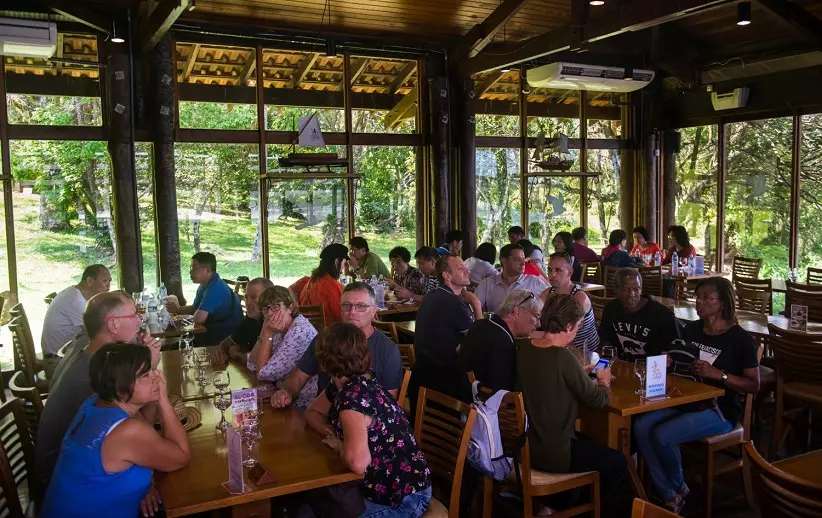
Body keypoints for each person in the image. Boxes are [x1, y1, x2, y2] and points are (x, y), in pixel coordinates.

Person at [634, 278, 759, 513]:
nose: (698, 302)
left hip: (720, 408)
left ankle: (674, 490)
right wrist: (669, 360)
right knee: (640, 426)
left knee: (662, 435)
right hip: (685, 399)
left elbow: (754, 385)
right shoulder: (691, 330)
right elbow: (680, 362)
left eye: (706, 298)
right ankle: (671, 492)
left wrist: (719, 375)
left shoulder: (740, 339)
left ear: (722, 303)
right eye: (697, 297)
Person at [40, 343, 190, 518]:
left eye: (152, 370)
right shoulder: (128, 431)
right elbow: (181, 456)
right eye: (145, 375)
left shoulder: (96, 403)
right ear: (120, 388)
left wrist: (146, 482)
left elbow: (145, 433)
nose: (157, 378)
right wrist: (163, 399)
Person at [36, 291, 162, 493]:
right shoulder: (96, 376)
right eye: (133, 315)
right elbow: (143, 432)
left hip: (75, 465)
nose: (140, 321)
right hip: (70, 485)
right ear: (113, 325)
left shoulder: (88, 346)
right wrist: (150, 368)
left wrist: (134, 360)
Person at [304, 323, 432, 517]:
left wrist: (340, 445)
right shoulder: (354, 383)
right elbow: (312, 413)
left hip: (406, 499)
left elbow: (358, 463)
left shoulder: (351, 399)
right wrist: (334, 434)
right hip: (396, 488)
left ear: (323, 360)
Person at [517, 294, 626, 510]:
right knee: (617, 463)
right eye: (578, 326)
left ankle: (558, 504)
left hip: (527, 445)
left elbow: (549, 378)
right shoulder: (563, 357)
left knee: (590, 442)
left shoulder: (526, 348)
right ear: (568, 326)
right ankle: (576, 511)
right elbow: (599, 399)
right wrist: (604, 381)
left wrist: (578, 372)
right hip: (554, 452)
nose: (577, 331)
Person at [271, 282, 403, 410]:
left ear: (374, 310)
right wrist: (286, 392)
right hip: (321, 414)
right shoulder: (325, 339)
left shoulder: (388, 350)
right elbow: (298, 377)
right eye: (346, 305)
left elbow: (388, 403)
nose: (352, 312)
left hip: (364, 421)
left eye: (361, 306)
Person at [411, 255, 482, 410]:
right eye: (460, 268)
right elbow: (479, 339)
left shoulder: (432, 295)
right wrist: (476, 303)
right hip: (445, 384)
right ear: (447, 276)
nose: (467, 271)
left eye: (465, 266)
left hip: (421, 376)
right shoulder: (452, 301)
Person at [459, 290, 543, 397]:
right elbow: (501, 396)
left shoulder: (480, 324)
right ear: (517, 311)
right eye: (536, 316)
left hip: (460, 396)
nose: (539, 324)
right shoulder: (504, 344)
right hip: (481, 403)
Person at [248, 286, 319, 408]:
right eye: (266, 309)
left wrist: (267, 334)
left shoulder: (299, 332)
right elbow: (252, 364)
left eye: (275, 307)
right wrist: (264, 332)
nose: (270, 313)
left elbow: (263, 374)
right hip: (279, 395)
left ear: (290, 308)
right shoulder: (279, 328)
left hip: (300, 404)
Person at [41, 264, 112, 377]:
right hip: (58, 363)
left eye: (109, 281)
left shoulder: (74, 292)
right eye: (105, 281)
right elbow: (98, 334)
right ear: (90, 281)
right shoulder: (75, 300)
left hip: (67, 355)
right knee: (112, 371)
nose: (108, 285)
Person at [599, 268, 682, 361]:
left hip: (652, 366)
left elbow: (676, 348)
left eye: (636, 289)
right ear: (616, 289)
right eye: (625, 289)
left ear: (641, 289)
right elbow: (605, 339)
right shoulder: (611, 309)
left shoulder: (661, 314)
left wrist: (668, 356)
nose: (631, 294)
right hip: (621, 364)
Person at [166, 252, 243, 345]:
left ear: (207, 270)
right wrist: (177, 309)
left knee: (174, 346)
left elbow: (198, 319)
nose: (190, 271)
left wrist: (175, 321)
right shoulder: (205, 284)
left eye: (194, 267)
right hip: (211, 331)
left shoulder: (215, 288)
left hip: (225, 338)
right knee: (172, 344)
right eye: (190, 267)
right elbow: (195, 308)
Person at [540, 253, 599, 352]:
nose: (552, 274)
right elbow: (534, 318)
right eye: (549, 270)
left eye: (558, 270)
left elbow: (565, 332)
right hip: (559, 348)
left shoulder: (580, 297)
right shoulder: (547, 293)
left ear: (569, 273)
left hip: (585, 352)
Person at [213, 277, 274, 363]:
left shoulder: (275, 323)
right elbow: (228, 342)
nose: (248, 302)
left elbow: (268, 360)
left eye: (254, 297)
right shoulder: (251, 319)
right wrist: (221, 352)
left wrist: (240, 355)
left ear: (269, 299)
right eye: (246, 297)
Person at [475, 244, 548, 314]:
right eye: (517, 259)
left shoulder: (534, 282)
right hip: (495, 322)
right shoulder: (487, 284)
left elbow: (551, 297)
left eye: (523, 259)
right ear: (504, 261)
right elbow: (474, 308)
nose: (523, 263)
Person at [300, 243, 349, 327]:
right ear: (337, 261)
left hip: (311, 329)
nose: (344, 266)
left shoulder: (310, 282)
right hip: (331, 331)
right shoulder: (332, 286)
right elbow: (342, 315)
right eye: (344, 263)